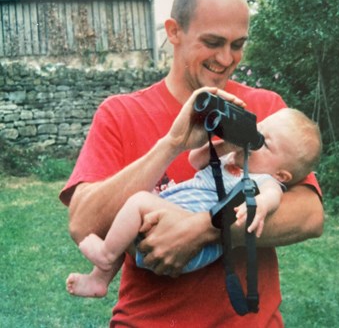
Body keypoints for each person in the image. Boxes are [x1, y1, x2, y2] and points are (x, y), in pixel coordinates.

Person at [60, 0, 324, 327]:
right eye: (213, 42)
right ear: (173, 32)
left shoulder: (267, 112)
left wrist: (203, 228)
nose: (227, 58)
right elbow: (82, 224)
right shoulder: (120, 113)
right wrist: (172, 145)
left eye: (237, 44)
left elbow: (310, 216)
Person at [66, 107, 322, 299]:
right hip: (169, 219)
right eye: (257, 131)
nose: (253, 141)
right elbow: (196, 161)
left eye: (264, 143)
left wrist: (259, 206)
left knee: (139, 201)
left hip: (194, 248)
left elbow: (271, 198)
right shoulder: (229, 161)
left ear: (282, 175)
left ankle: (106, 255)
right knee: (133, 209)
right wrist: (226, 145)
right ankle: (100, 280)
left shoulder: (265, 179)